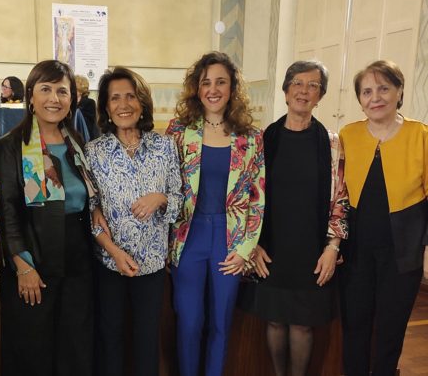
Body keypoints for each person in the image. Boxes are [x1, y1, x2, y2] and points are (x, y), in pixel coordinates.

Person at [242, 60, 349, 376]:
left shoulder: (332, 143)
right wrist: (252, 244)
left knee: (302, 325)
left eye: (313, 85)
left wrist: (333, 247)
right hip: (272, 248)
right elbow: (246, 196)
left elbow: (341, 198)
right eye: (298, 83)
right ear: (286, 90)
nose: (304, 91)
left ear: (321, 95)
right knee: (275, 321)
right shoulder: (264, 139)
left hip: (312, 251)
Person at [0, 60, 97, 376]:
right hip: (34, 257)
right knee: (34, 349)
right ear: (31, 96)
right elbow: (7, 211)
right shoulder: (11, 145)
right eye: (46, 89)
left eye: (62, 91)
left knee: (75, 346)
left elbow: (89, 200)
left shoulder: (77, 143)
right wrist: (22, 265)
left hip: (78, 259)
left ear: (72, 98)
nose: (54, 98)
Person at [165, 51, 265, 376]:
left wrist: (246, 249)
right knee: (189, 322)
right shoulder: (179, 132)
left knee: (221, 323)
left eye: (221, 82)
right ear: (196, 88)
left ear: (232, 87)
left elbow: (258, 198)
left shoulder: (251, 137)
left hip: (230, 241)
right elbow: (166, 187)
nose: (213, 89)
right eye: (206, 82)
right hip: (188, 238)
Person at [85, 67, 182, 376]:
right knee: (110, 337)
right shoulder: (94, 152)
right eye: (115, 98)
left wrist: (160, 198)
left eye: (130, 96)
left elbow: (179, 200)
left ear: (142, 102)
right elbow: (91, 213)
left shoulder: (165, 147)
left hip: (151, 264)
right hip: (109, 262)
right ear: (106, 107)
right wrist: (113, 251)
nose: (123, 104)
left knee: (147, 339)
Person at [339, 60, 428, 376]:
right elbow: (337, 192)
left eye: (383, 88)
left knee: (391, 330)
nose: (375, 97)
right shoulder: (348, 135)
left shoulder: (420, 135)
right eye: (366, 91)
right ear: (360, 99)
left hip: (402, 254)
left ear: (399, 91)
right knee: (354, 326)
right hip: (355, 251)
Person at [75, 74, 99, 139]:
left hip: (87, 137)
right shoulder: (70, 102)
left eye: (74, 89)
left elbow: (88, 123)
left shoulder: (89, 102)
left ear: (80, 91)